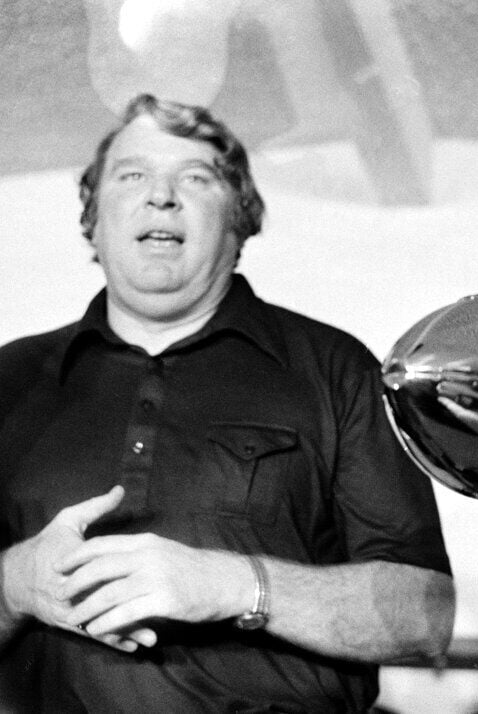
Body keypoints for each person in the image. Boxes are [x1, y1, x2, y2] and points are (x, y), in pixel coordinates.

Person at [0, 94, 454, 712]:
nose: (161, 196)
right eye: (133, 175)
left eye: (195, 178)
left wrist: (236, 584)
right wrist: (15, 582)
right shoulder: (11, 378)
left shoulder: (334, 369)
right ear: (94, 217)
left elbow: (425, 621)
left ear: (240, 218)